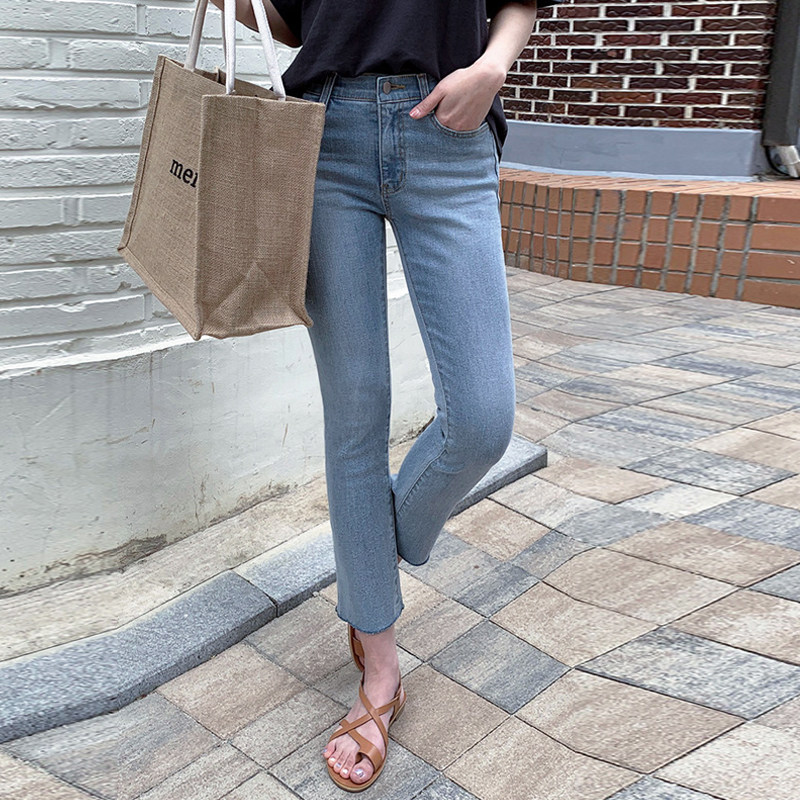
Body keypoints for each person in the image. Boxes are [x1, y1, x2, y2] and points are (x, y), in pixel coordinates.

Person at [211, 0, 562, 790]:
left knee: (482, 421)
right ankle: (379, 670)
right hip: (324, 134)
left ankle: (368, 553)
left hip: (451, 127)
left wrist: (493, 68)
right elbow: (296, 19)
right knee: (356, 414)